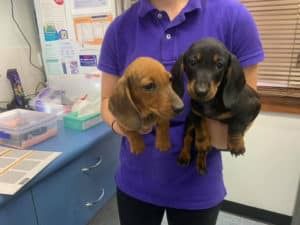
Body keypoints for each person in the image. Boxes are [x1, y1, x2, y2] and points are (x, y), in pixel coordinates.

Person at [99, 0, 264, 224]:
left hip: (199, 186)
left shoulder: (234, 16)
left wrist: (223, 137)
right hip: (135, 181)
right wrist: (126, 126)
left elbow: (248, 101)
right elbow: (108, 99)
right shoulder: (119, 28)